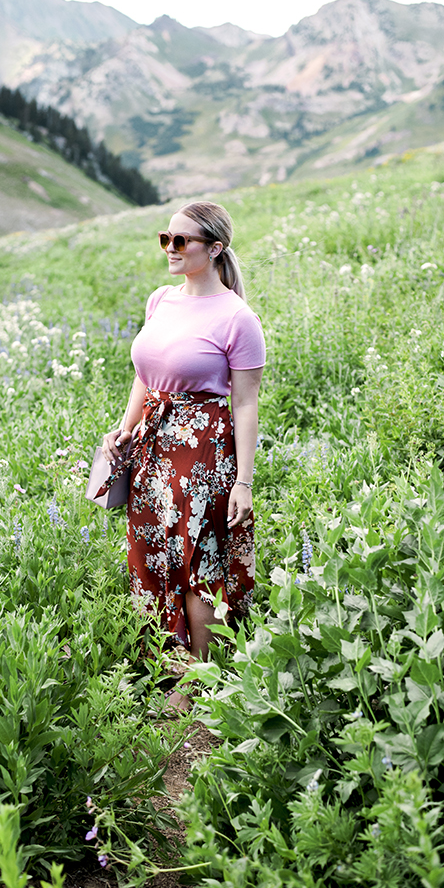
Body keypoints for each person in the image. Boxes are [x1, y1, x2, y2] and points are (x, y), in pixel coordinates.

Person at [101, 201, 265, 711]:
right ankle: (168, 670)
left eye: (181, 241)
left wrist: (243, 480)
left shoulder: (238, 318)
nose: (169, 249)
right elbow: (145, 376)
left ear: (215, 249)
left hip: (203, 449)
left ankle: (205, 682)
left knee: (198, 557)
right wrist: (125, 428)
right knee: (154, 552)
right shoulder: (160, 300)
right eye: (165, 238)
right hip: (153, 443)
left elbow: (245, 403)